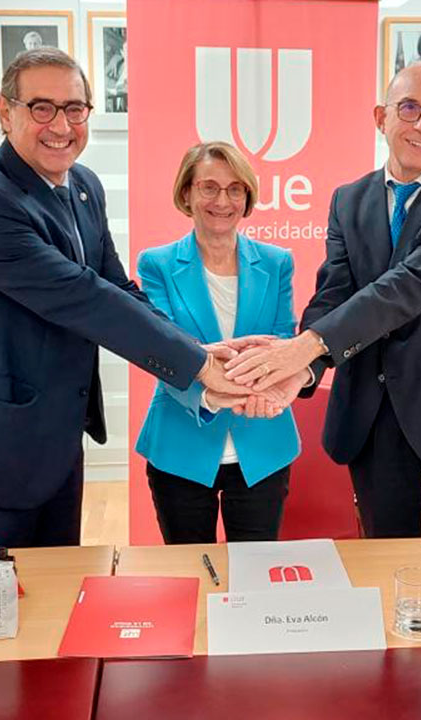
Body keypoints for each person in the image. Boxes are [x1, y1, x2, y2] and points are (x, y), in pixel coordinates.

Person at [0, 48, 248, 548]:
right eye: (42, 107)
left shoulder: (83, 188)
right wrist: (200, 365)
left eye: (75, 109)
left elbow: (116, 286)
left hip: (54, 443)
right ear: (5, 112)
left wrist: (195, 350)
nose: (61, 124)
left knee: (55, 601)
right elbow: (82, 296)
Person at [225, 63, 421, 538]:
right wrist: (305, 370)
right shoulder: (348, 200)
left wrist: (304, 348)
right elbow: (335, 291)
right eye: (409, 108)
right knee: (387, 562)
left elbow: (407, 286)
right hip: (372, 416)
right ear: (381, 117)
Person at [135, 142, 306, 544]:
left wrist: (264, 384)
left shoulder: (277, 261)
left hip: (263, 444)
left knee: (255, 578)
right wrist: (213, 396)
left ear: (247, 196)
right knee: (192, 575)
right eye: (209, 187)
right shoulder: (156, 264)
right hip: (180, 445)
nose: (222, 200)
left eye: (235, 189)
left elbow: (282, 343)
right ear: (187, 193)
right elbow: (163, 354)